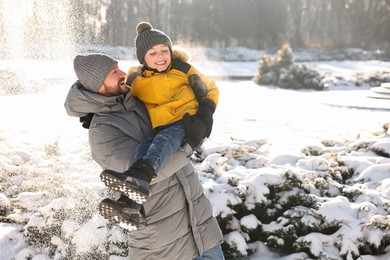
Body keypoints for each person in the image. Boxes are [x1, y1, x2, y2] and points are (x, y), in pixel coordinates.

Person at [64, 53, 225, 259]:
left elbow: (171, 92)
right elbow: (144, 175)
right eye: (114, 72)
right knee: (142, 172)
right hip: (163, 246)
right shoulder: (102, 132)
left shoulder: (139, 101)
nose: (122, 73)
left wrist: (201, 109)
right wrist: (189, 144)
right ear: (99, 86)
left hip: (201, 230)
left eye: (118, 67)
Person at [100, 21, 219, 205]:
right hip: (161, 127)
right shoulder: (137, 82)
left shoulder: (183, 69)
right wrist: (94, 111)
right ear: (143, 59)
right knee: (143, 149)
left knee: (163, 141)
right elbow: (122, 98)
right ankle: (129, 203)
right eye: (152, 53)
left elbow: (210, 88)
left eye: (164, 50)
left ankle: (142, 175)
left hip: (187, 122)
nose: (160, 56)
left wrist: (207, 110)